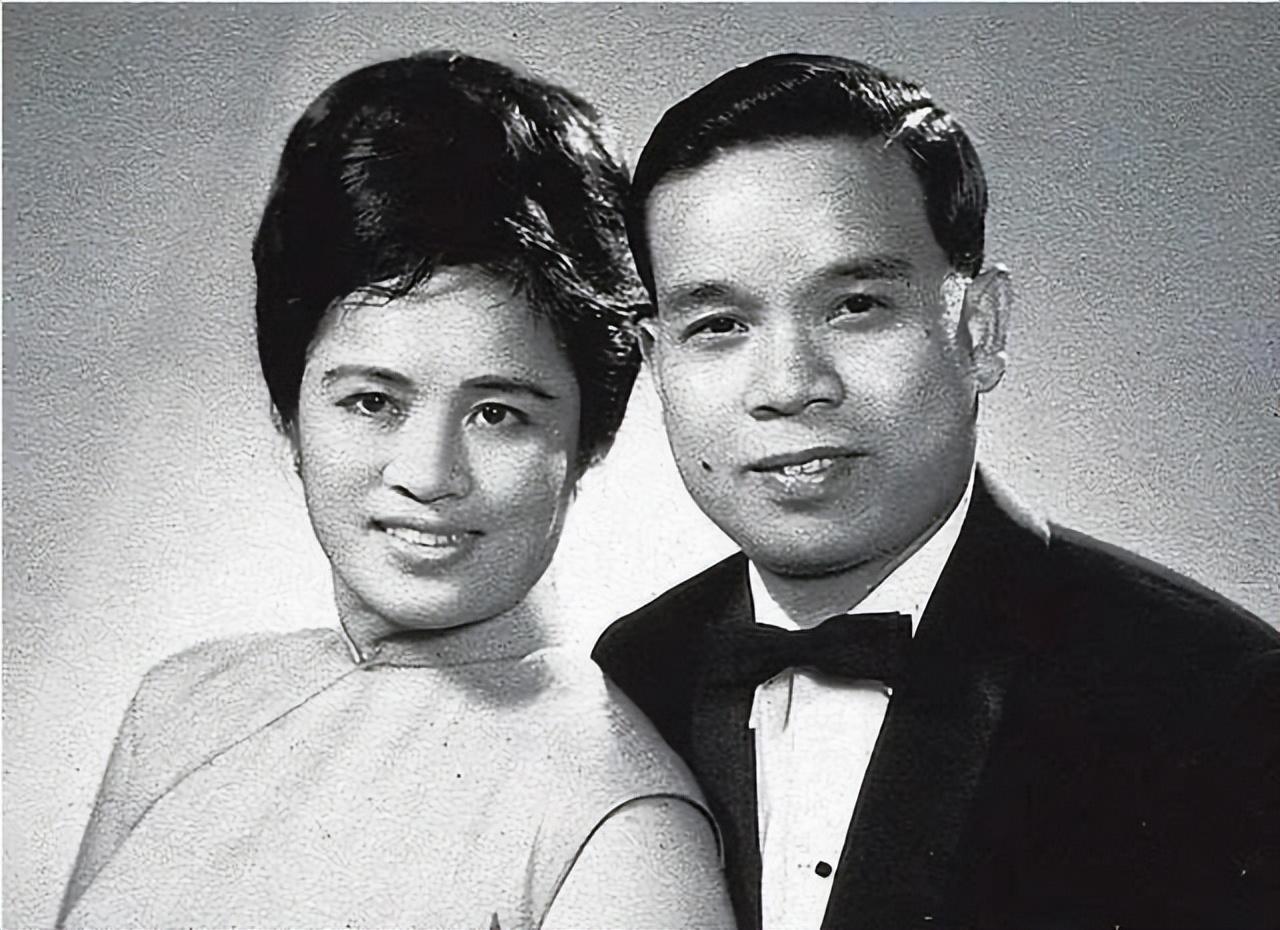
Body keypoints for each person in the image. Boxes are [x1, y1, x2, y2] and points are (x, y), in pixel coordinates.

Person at [594, 53, 1279, 930]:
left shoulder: (1217, 701)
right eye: (720, 324)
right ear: (657, 365)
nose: (790, 385)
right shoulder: (635, 671)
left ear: (979, 329)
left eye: (855, 306)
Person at [58, 51, 733, 930]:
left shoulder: (626, 824)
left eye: (498, 413)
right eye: (373, 401)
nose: (427, 474)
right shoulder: (181, 703)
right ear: (291, 410)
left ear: (589, 437)